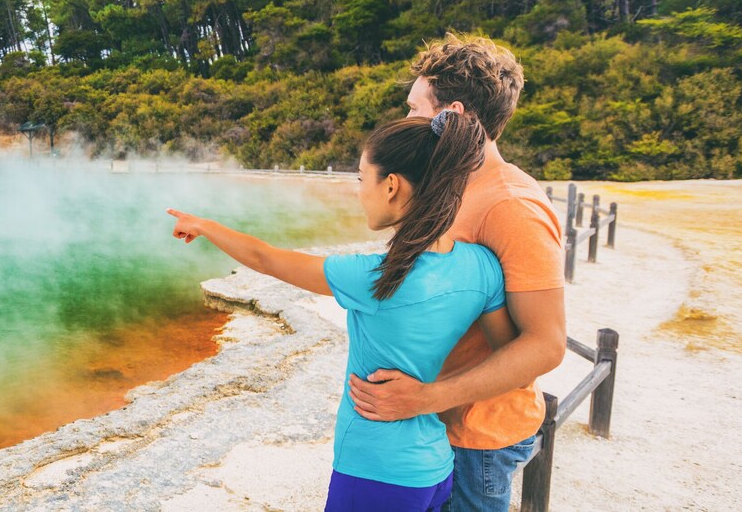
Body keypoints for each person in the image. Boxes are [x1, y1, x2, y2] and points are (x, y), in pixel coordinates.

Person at [168, 111, 517, 511]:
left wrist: (206, 226)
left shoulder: (375, 278)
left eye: (359, 178)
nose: (357, 191)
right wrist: (431, 396)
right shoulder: (482, 266)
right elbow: (506, 353)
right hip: (435, 466)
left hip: (374, 470)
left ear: (391, 186)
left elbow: (266, 259)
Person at [346, 34, 567, 511]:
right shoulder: (449, 186)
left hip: (477, 439)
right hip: (432, 424)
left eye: (414, 108)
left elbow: (546, 344)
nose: (405, 121)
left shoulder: (512, 206)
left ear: (454, 116)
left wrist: (425, 398)